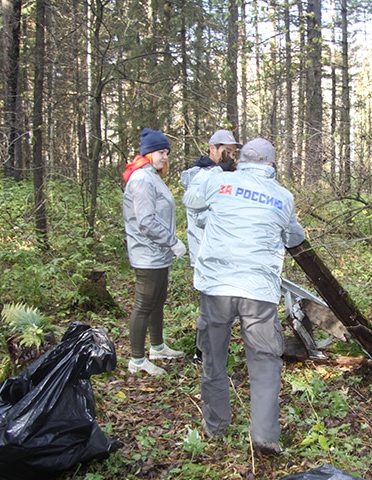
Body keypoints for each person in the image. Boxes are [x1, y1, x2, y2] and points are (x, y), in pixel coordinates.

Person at [182, 137, 305, 456]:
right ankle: (264, 436)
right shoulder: (283, 196)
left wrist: (212, 172)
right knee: (264, 362)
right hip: (258, 292)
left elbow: (191, 200)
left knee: (214, 358)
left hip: (216, 287)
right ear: (271, 166)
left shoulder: (221, 180)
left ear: (242, 161)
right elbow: (293, 235)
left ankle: (216, 426)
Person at [122, 128, 188, 376]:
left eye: (167, 152)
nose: (165, 157)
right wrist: (172, 241)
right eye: (161, 151)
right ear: (148, 153)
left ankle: (157, 347)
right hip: (147, 253)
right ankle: (137, 359)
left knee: (157, 301)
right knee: (144, 304)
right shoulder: (141, 179)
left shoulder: (152, 176)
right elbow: (146, 221)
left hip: (158, 254)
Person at [180, 130, 243, 365]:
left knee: (222, 306)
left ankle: (208, 351)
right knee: (212, 307)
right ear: (212, 148)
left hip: (221, 252)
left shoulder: (223, 174)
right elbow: (198, 213)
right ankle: (204, 354)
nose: (230, 156)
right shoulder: (204, 176)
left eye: (233, 152)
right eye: (226, 151)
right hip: (207, 253)